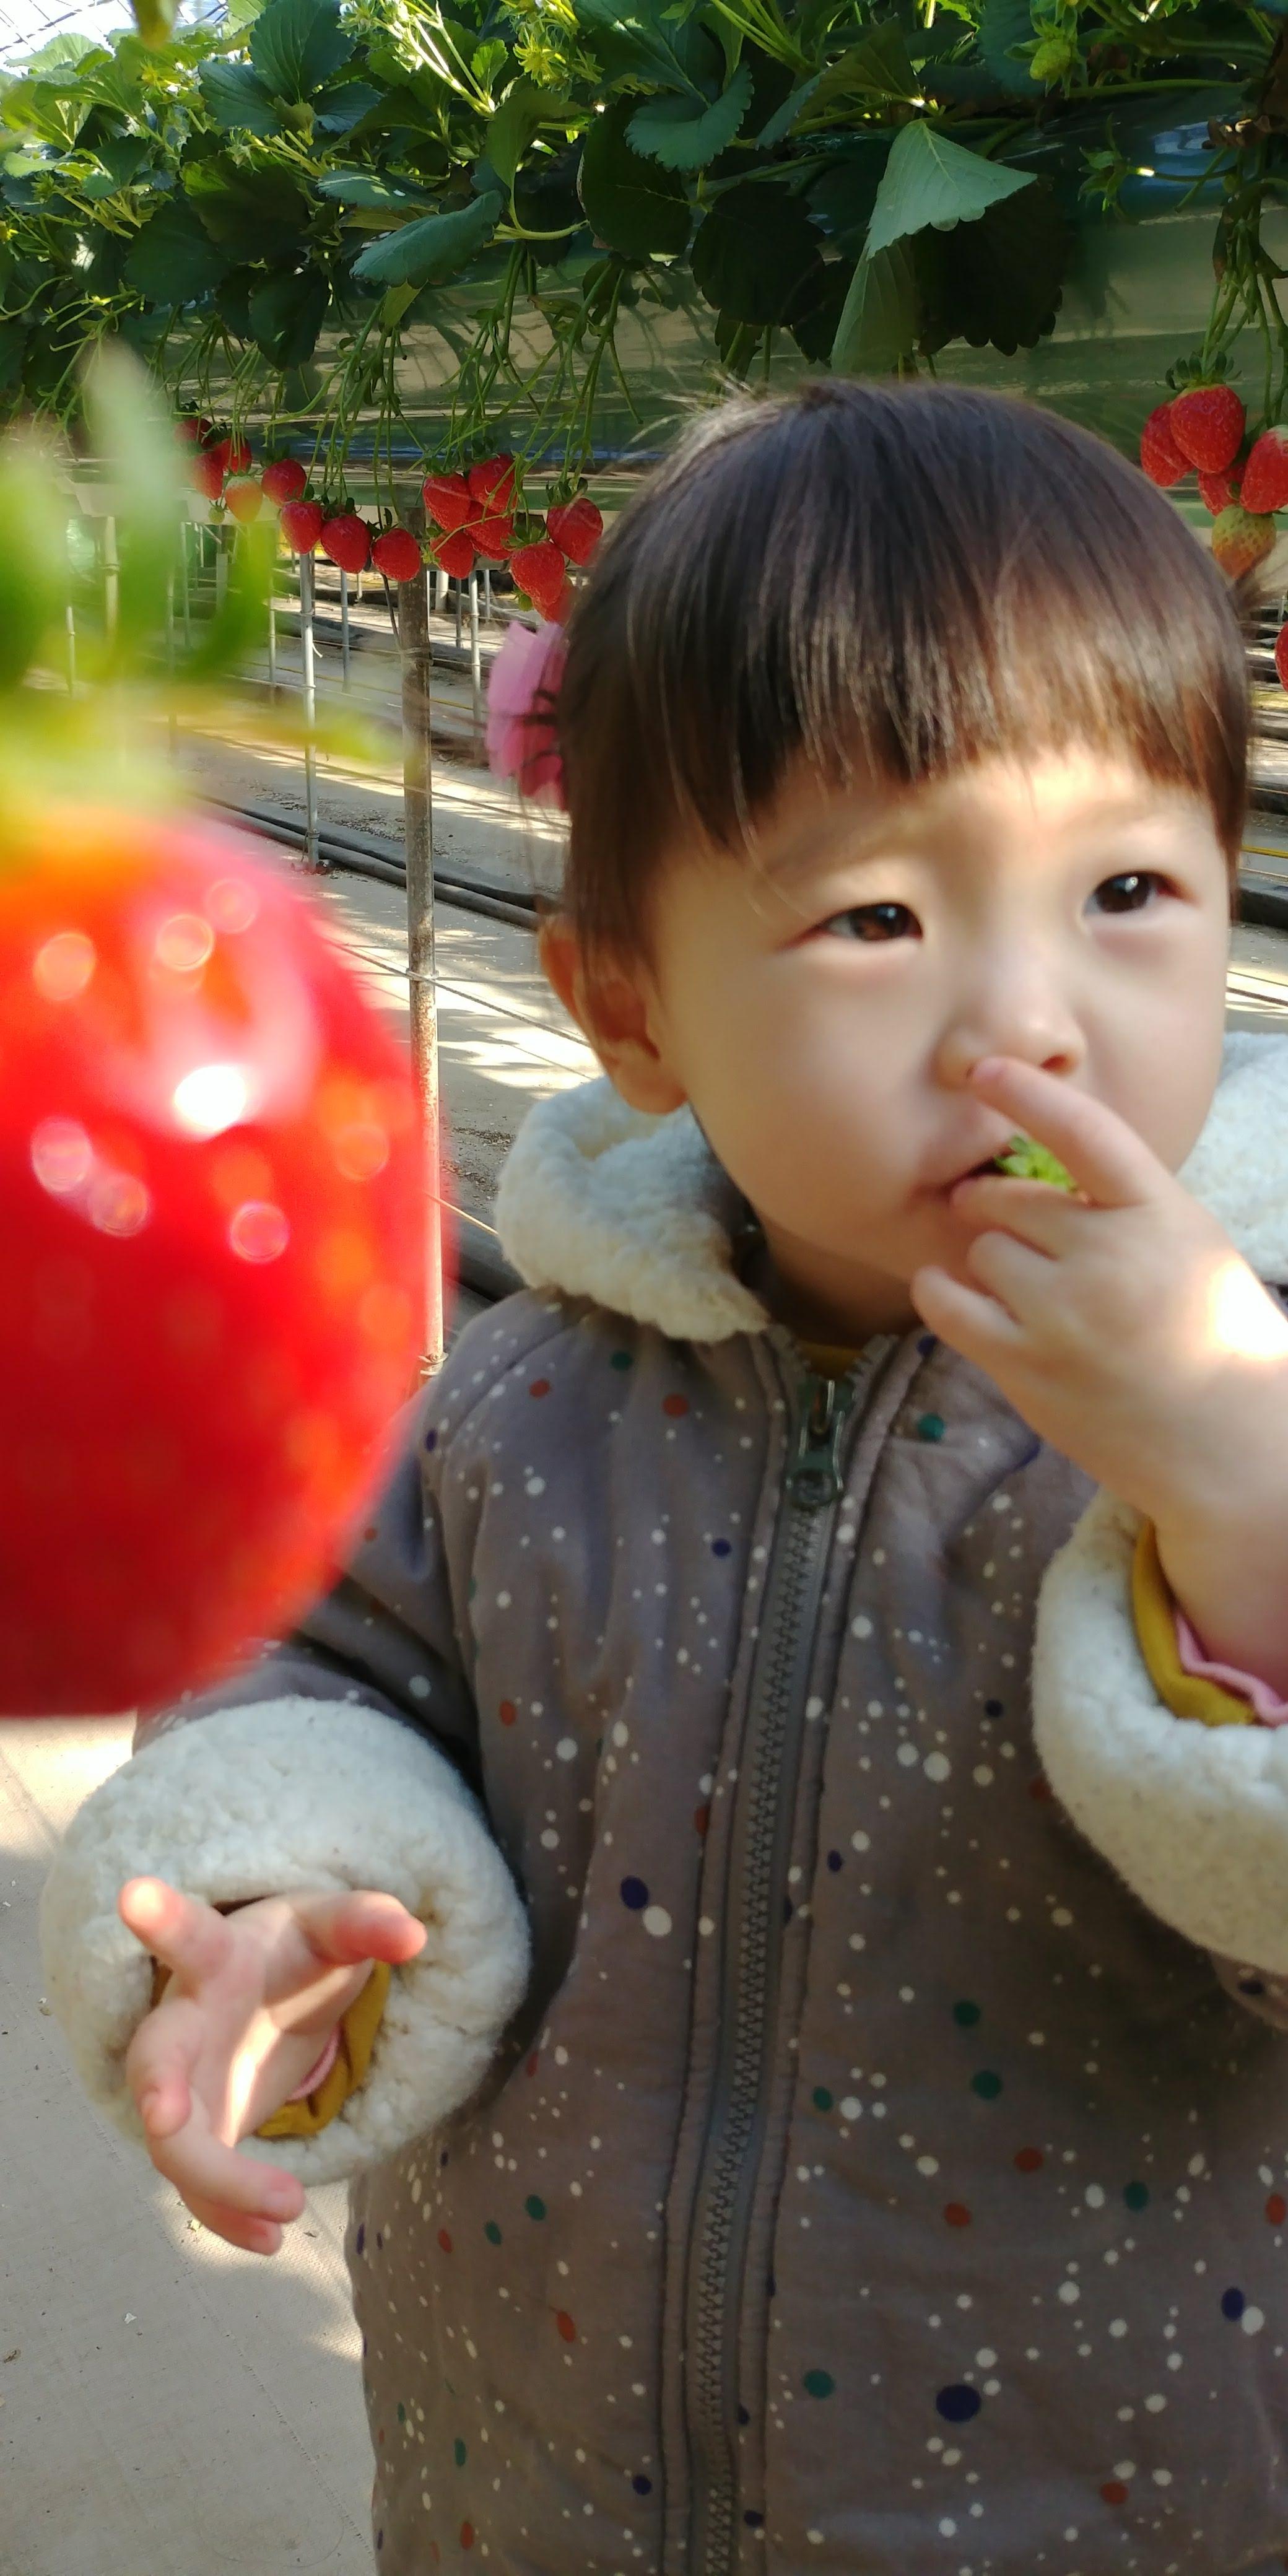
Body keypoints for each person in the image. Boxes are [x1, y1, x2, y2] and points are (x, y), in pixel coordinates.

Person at [40, 380, 1288, 2576]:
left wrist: (1243, 1497)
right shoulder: (516, 1407)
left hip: (1108, 2500)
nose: (1037, 1023)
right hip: (532, 2475)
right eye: (879, 921)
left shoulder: (1231, 1423)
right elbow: (312, 1665)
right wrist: (273, 1902)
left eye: (1128, 889)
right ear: (628, 1010)